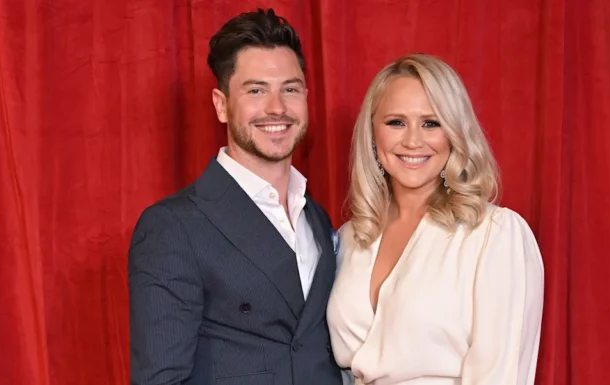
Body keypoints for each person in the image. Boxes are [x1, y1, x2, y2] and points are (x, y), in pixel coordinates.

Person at [128, 9, 343, 385]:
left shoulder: (318, 219)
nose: (277, 107)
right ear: (221, 104)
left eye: (290, 89)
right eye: (256, 90)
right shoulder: (173, 227)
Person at [327, 53, 545, 385]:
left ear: (455, 133)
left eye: (431, 123)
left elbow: (500, 375)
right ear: (372, 135)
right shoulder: (348, 240)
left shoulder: (493, 235)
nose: (413, 140)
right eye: (396, 122)